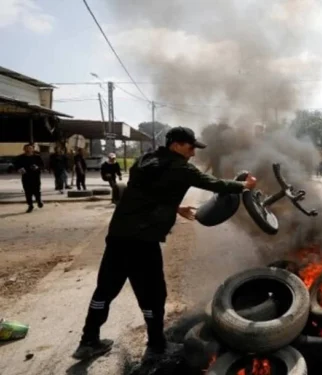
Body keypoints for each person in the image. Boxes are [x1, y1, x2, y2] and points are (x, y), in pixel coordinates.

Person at [72, 127, 257, 362]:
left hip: (119, 235)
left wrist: (174, 207)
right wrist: (243, 186)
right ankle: (157, 347)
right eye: (190, 147)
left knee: (105, 290)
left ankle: (87, 342)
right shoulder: (180, 167)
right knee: (153, 294)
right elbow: (214, 184)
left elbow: (145, 193)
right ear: (176, 145)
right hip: (143, 241)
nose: (192, 153)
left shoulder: (144, 160)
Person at [13, 144, 44, 213]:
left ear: (33, 149)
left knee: (37, 190)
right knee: (27, 192)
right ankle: (30, 205)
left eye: (30, 148)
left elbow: (42, 165)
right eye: (27, 148)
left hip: (35, 176)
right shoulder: (20, 157)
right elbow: (16, 166)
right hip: (26, 177)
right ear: (24, 149)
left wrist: (37, 167)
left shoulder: (37, 157)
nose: (28, 150)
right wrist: (19, 169)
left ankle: (39, 201)